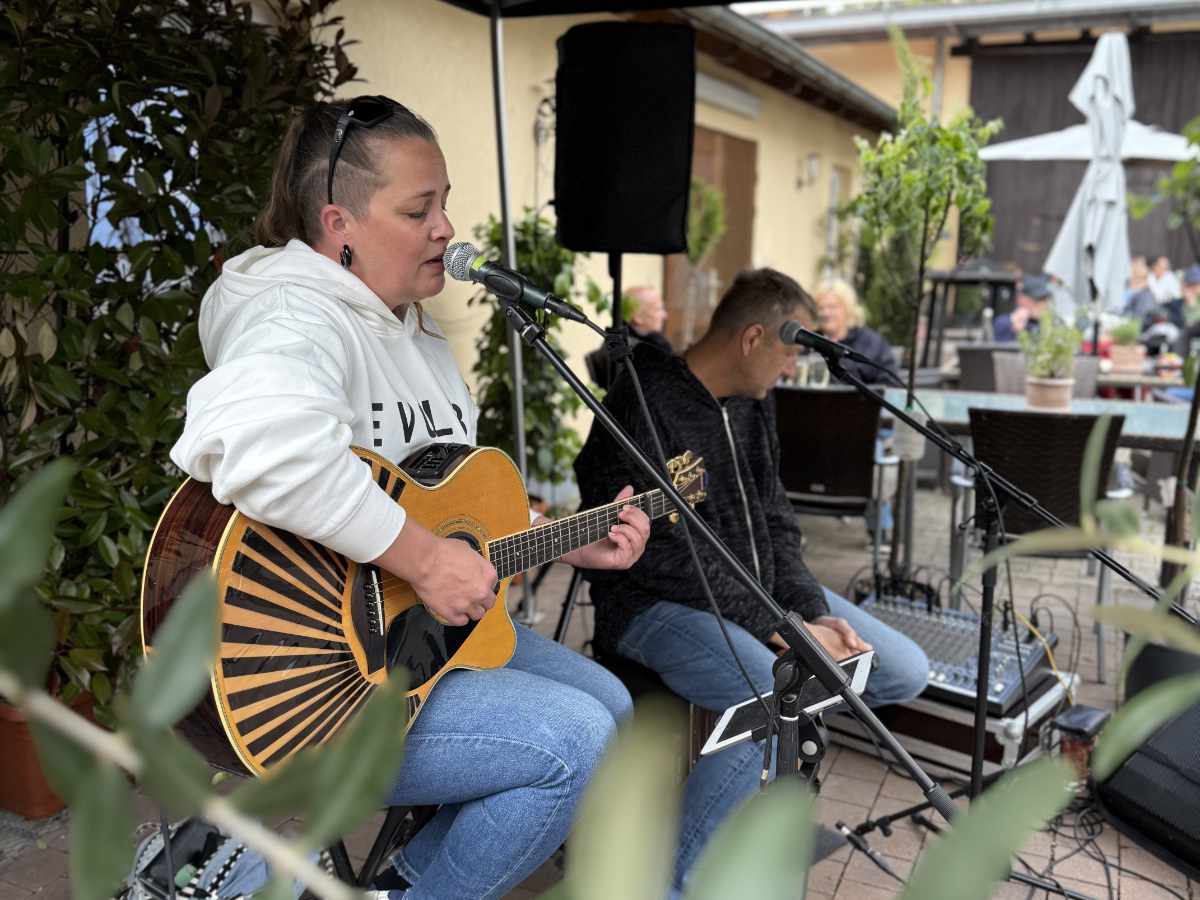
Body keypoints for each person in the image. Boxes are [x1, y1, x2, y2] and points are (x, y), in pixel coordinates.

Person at [169, 95, 651, 900]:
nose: (445, 228)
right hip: (312, 680)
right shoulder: (291, 313)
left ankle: (408, 882)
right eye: (418, 208)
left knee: (611, 702)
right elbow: (261, 448)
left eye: (446, 203)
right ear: (339, 224)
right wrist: (425, 559)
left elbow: (434, 493)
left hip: (416, 644)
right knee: (577, 740)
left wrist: (560, 538)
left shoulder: (416, 334)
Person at [574, 268, 930, 898]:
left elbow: (777, 520)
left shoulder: (753, 406)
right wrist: (784, 630)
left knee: (902, 669)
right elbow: (664, 558)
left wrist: (810, 611)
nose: (794, 369)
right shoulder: (643, 404)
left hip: (764, 602)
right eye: (792, 352)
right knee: (769, 698)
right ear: (754, 338)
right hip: (653, 607)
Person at [586, 284, 672, 389]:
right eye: (658, 309)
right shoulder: (631, 352)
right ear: (637, 317)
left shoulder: (618, 343)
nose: (664, 315)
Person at [814, 278, 897, 384]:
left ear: (848, 309)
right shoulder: (808, 341)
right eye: (820, 308)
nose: (825, 313)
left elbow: (889, 381)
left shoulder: (872, 343)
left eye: (832, 307)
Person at [994, 275, 1055, 343]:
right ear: (1022, 299)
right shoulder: (1004, 323)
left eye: (1045, 300)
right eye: (1038, 299)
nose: (1043, 304)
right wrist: (1016, 330)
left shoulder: (1049, 324)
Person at [1122, 257, 1157, 322]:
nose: (1132, 266)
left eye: (1139, 265)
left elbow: (1140, 318)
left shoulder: (1146, 295)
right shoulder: (1122, 286)